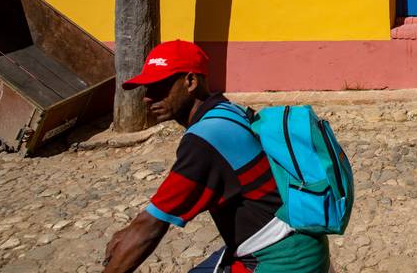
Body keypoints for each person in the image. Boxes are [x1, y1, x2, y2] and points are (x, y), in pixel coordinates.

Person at [103, 40, 331, 273]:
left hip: (282, 260)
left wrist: (132, 235)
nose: (147, 97)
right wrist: (131, 230)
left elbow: (150, 228)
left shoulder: (205, 140)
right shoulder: (227, 110)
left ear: (190, 82)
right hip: (302, 245)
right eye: (147, 88)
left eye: (159, 86)